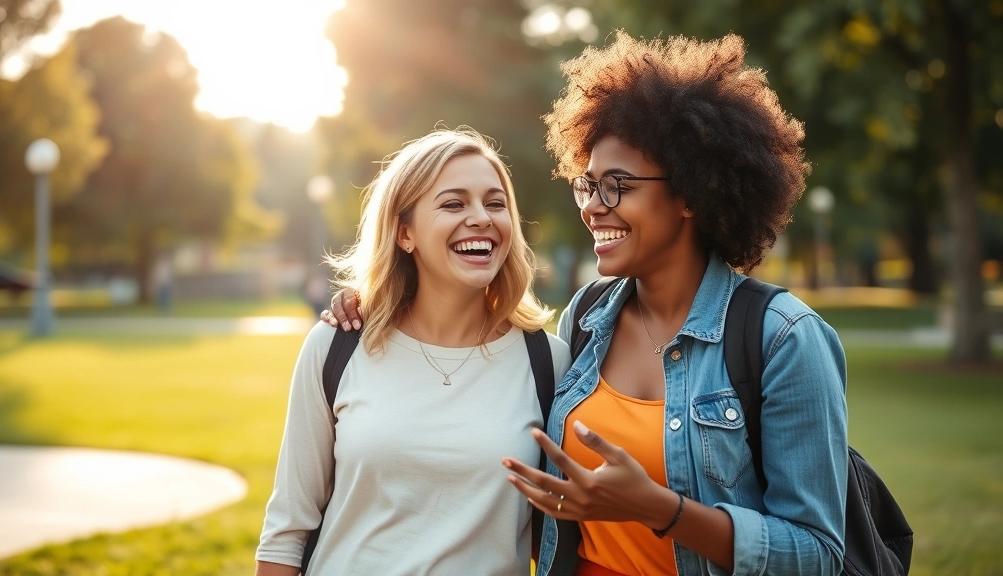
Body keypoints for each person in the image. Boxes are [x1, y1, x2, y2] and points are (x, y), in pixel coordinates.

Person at [325, 32, 848, 576]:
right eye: (588, 186)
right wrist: (384, 292)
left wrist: (657, 509)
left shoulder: (783, 338)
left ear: (691, 192)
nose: (594, 208)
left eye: (617, 186)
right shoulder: (587, 316)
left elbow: (817, 555)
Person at [256, 128, 571, 576]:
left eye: (495, 203)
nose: (481, 217)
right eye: (453, 203)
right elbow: (287, 528)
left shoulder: (549, 363)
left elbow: (560, 534)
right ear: (406, 233)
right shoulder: (337, 345)